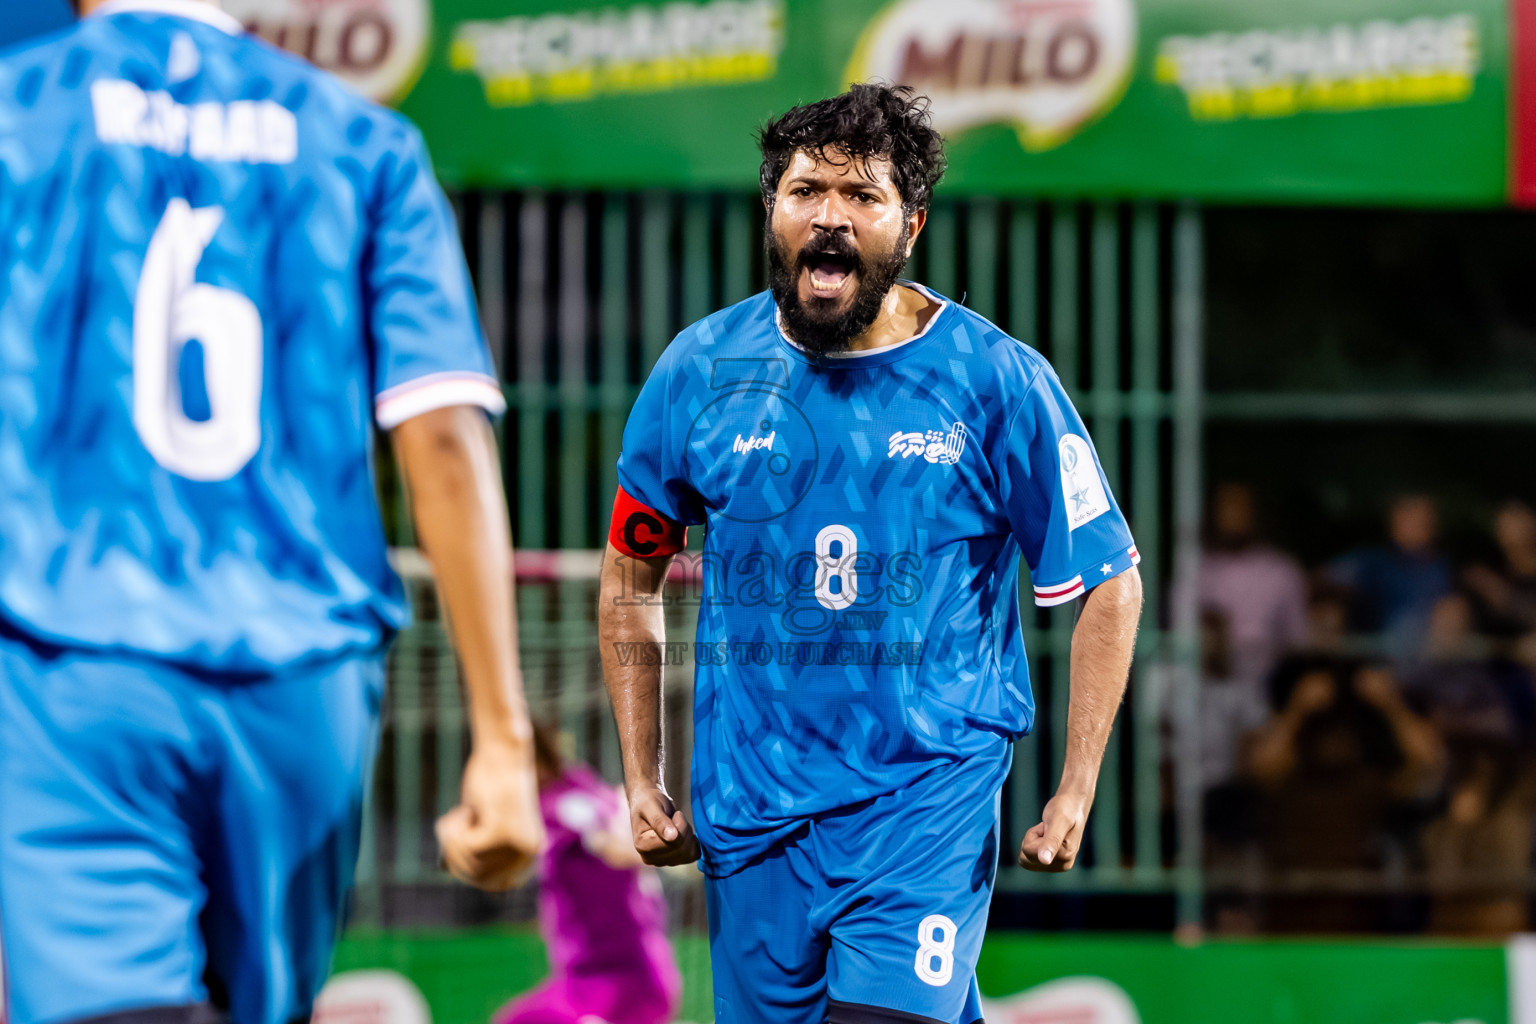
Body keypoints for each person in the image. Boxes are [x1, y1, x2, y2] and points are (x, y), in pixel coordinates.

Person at [0, 3, 543, 1022]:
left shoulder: (21, 111)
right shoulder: (362, 142)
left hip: (77, 663)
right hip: (304, 687)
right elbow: (442, 435)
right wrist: (501, 739)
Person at [598, 84, 1143, 1024]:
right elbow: (629, 574)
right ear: (771, 210)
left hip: (922, 807)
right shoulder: (700, 369)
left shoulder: (996, 381)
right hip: (751, 821)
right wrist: (641, 775)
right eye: (807, 191)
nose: (831, 217)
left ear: (911, 225)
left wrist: (1078, 786)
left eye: (862, 196)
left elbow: (1110, 581)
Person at [494, 722, 681, 1024]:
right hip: (611, 977)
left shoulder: (563, 804)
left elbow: (609, 839)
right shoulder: (584, 789)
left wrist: (636, 848)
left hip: (618, 982)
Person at [1198, 482, 1308, 693]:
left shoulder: (1282, 570)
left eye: (1240, 507)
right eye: (1227, 507)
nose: (1233, 515)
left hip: (1268, 686)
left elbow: (1298, 640)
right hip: (1205, 685)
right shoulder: (1195, 569)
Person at [1328, 494, 1452, 655]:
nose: (1424, 523)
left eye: (1427, 518)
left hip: (1430, 658)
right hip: (1377, 655)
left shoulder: (1444, 568)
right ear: (1395, 521)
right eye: (1412, 516)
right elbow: (1325, 581)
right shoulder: (1373, 563)